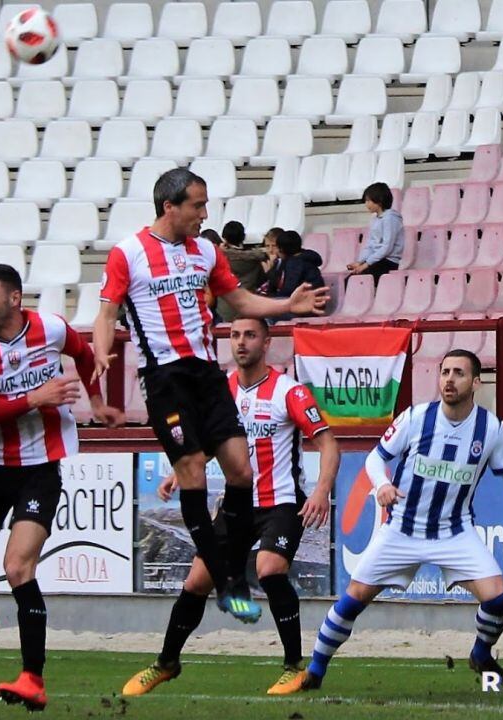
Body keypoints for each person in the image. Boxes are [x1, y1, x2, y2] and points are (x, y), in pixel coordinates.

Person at [92, 168, 330, 628]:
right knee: (194, 471)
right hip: (165, 378)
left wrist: (286, 306)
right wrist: (103, 349)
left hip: (205, 372)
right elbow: (107, 313)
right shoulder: (129, 253)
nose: (204, 214)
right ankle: (226, 582)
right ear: (170, 207)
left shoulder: (205, 251)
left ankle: (230, 572)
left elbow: (238, 302)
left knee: (241, 471)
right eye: (197, 206)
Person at [294, 349, 503, 692]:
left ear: (476, 382)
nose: (449, 380)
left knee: (497, 597)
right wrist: (382, 485)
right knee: (353, 599)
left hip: (454, 532)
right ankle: (315, 672)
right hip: (402, 529)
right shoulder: (417, 418)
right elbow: (376, 460)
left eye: (459, 373)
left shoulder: (491, 429)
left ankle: (480, 653)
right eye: (445, 372)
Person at [122, 317, 340, 697]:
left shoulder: (289, 392)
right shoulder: (220, 392)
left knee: (269, 568)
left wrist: (321, 490)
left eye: (250, 335)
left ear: (267, 341)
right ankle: (166, 663)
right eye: (235, 335)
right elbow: (209, 443)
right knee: (196, 582)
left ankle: (293, 666)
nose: (241, 343)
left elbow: (329, 443)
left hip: (281, 503)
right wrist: (182, 470)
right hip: (236, 505)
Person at [0, 264, 124, 711]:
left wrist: (98, 401)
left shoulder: (50, 328)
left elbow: (84, 355)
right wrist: (35, 398)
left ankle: (33, 678)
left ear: (13, 299)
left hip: (40, 469)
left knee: (17, 568)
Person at [347, 182, 404, 286]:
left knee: (358, 282)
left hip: (388, 262)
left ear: (380, 200)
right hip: (376, 260)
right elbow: (370, 244)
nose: (366, 204)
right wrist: (360, 262)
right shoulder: (374, 220)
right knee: (350, 281)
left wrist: (365, 265)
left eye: (369, 201)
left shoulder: (390, 219)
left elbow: (387, 247)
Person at [266, 230, 325, 322]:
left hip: (307, 308)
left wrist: (270, 299)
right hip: (305, 304)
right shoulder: (292, 260)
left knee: (265, 309)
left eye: (276, 247)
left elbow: (288, 290)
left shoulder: (296, 264)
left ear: (282, 249)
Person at [216, 221, 267, 323]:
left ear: (224, 238)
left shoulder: (219, 258)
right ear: (243, 237)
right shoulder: (255, 259)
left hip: (225, 308)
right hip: (248, 305)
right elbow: (261, 280)